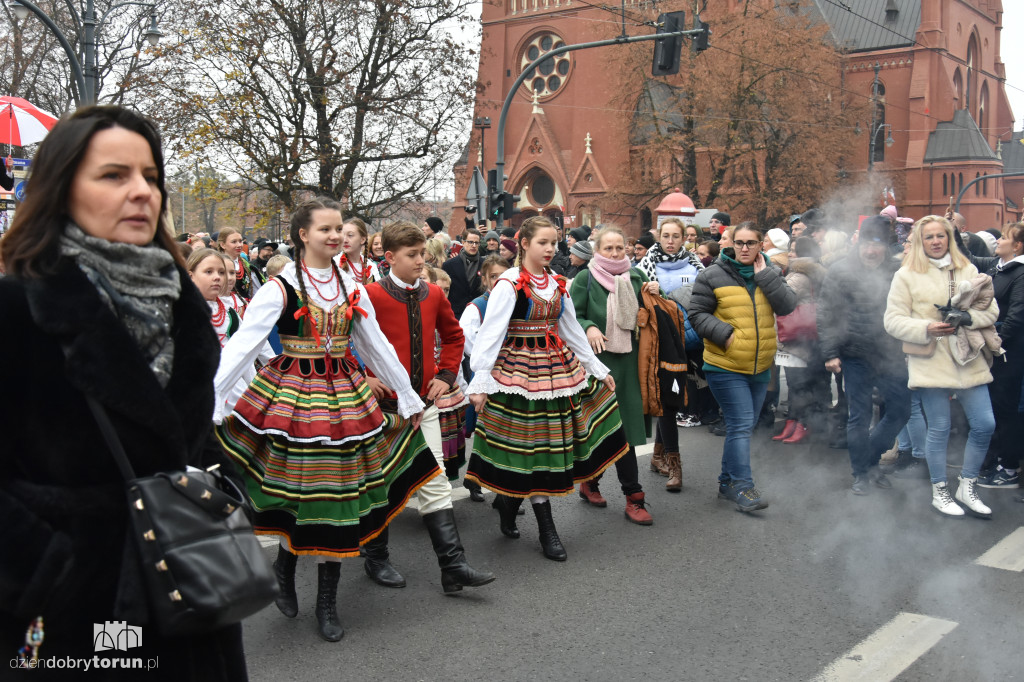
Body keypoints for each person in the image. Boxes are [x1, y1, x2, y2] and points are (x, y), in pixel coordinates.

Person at [0, 105, 248, 677]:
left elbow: (183, 437)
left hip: (192, 586)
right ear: (62, 189)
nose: (141, 192)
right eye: (114, 176)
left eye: (151, 177)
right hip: (80, 610)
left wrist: (220, 487)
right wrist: (45, 569)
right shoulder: (19, 308)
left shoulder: (183, 307)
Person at [214, 197, 441, 641]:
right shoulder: (280, 287)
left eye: (339, 228)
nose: (335, 236)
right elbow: (243, 347)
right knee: (299, 492)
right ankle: (284, 566)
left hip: (345, 398)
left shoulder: (352, 287)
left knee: (336, 497)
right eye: (325, 230)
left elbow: (374, 344)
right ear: (303, 235)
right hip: (294, 400)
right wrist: (216, 399)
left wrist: (408, 397)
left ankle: (326, 601)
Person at [466, 216, 628, 561]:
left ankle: (510, 505)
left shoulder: (558, 282)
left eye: (554, 242)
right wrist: (480, 381)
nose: (550, 248)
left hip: (556, 370)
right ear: (524, 243)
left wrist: (597, 369)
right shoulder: (509, 284)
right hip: (517, 374)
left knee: (545, 448)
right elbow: (490, 334)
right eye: (543, 242)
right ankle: (544, 528)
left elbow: (570, 330)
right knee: (526, 448)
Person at [362, 221, 494, 594]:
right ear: (389, 257)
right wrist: (363, 377)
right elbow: (345, 341)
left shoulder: (434, 294)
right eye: (412, 255)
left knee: (435, 482)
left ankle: (453, 567)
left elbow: (453, 336)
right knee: (381, 484)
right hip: (382, 410)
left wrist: (448, 374)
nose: (421, 261)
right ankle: (376, 557)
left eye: (422, 253)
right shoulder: (368, 295)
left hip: (426, 404)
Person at [884, 215, 999, 518]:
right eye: (929, 237)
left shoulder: (968, 269)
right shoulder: (906, 274)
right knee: (939, 428)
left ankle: (967, 485)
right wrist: (926, 327)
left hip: (968, 357)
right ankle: (940, 491)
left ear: (950, 237)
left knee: (985, 423)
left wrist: (968, 318)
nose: (935, 241)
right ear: (920, 242)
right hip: (931, 359)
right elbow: (892, 321)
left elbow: (992, 311)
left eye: (941, 236)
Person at [687, 223, 797, 512]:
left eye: (751, 242)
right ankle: (743, 487)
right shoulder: (713, 274)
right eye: (740, 243)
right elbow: (696, 314)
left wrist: (765, 277)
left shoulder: (770, 273)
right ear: (732, 244)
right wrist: (725, 334)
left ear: (762, 245)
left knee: (742, 424)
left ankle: (726, 483)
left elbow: (787, 306)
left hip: (760, 365)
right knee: (741, 424)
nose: (745, 248)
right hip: (724, 363)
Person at [817, 217, 910, 494]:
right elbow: (826, 313)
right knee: (859, 416)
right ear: (858, 243)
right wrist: (830, 352)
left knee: (903, 408)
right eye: (867, 244)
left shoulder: (897, 270)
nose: (871, 251)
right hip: (853, 354)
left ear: (886, 245)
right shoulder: (840, 270)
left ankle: (869, 459)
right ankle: (861, 474)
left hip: (890, 353)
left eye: (878, 244)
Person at [571, 225, 656, 524]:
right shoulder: (584, 278)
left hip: (632, 364)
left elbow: (652, 312)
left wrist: (657, 295)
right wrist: (588, 326)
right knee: (606, 429)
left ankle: (620, 493)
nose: (616, 253)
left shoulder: (637, 277)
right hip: (599, 365)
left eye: (620, 247)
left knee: (627, 432)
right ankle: (622, 492)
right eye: (609, 248)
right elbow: (570, 318)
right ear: (597, 251)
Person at [636, 217, 705, 490]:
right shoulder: (645, 266)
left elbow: (705, 300)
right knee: (667, 399)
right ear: (659, 237)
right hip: (660, 342)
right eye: (666, 235)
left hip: (690, 340)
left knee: (675, 400)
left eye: (676, 236)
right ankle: (675, 467)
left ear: (683, 238)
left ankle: (657, 456)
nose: (670, 240)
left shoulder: (696, 266)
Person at [974, 222, 1024, 489]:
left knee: (1007, 409)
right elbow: (969, 257)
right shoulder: (999, 267)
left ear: (1017, 245)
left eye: (1004, 238)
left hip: (1010, 354)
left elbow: (1016, 317)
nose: (998, 241)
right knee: (996, 407)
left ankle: (1010, 467)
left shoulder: (1021, 273)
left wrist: (995, 343)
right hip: (998, 353)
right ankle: (995, 461)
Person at [459, 254, 511, 501]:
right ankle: (476, 479)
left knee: (506, 432)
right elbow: (470, 345)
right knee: (485, 431)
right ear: (485, 279)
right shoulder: (476, 307)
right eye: (494, 277)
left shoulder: (515, 301)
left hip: (513, 374)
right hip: (487, 375)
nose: (499, 281)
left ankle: (503, 492)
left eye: (504, 276)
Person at [773, 236, 828, 445]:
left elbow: (780, 299)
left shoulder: (798, 276)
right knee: (806, 383)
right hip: (811, 334)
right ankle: (797, 422)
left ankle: (799, 423)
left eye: (794, 250)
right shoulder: (820, 272)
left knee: (798, 385)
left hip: (795, 338)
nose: (790, 254)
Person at [442, 227, 482, 318]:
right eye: (470, 242)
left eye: (476, 243)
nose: (474, 245)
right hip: (456, 313)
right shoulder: (449, 265)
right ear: (463, 242)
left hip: (478, 312)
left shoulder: (485, 264)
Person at [218, 227, 260, 301]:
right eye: (234, 242)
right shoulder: (216, 265)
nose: (239, 245)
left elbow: (257, 292)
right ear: (222, 245)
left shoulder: (246, 266)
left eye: (240, 241)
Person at [336, 216, 380, 285]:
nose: (345, 240)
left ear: (362, 239)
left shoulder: (371, 266)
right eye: (343, 235)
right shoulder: (334, 263)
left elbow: (377, 292)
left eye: (350, 235)